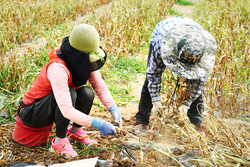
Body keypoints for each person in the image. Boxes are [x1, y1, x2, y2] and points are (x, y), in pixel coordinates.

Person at [12, 24, 122, 158]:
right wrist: (98, 123)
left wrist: (113, 108)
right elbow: (66, 109)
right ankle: (60, 140)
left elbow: (99, 85)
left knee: (86, 93)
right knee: (71, 93)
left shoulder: (81, 63)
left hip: (50, 108)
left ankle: (75, 131)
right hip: (31, 113)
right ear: (78, 57)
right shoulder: (58, 68)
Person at [134, 17, 217, 132]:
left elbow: (198, 83)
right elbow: (153, 74)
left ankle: (196, 122)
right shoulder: (161, 45)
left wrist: (186, 104)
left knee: (194, 81)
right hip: (164, 31)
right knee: (149, 80)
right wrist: (156, 101)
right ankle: (142, 120)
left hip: (193, 31)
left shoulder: (205, 54)